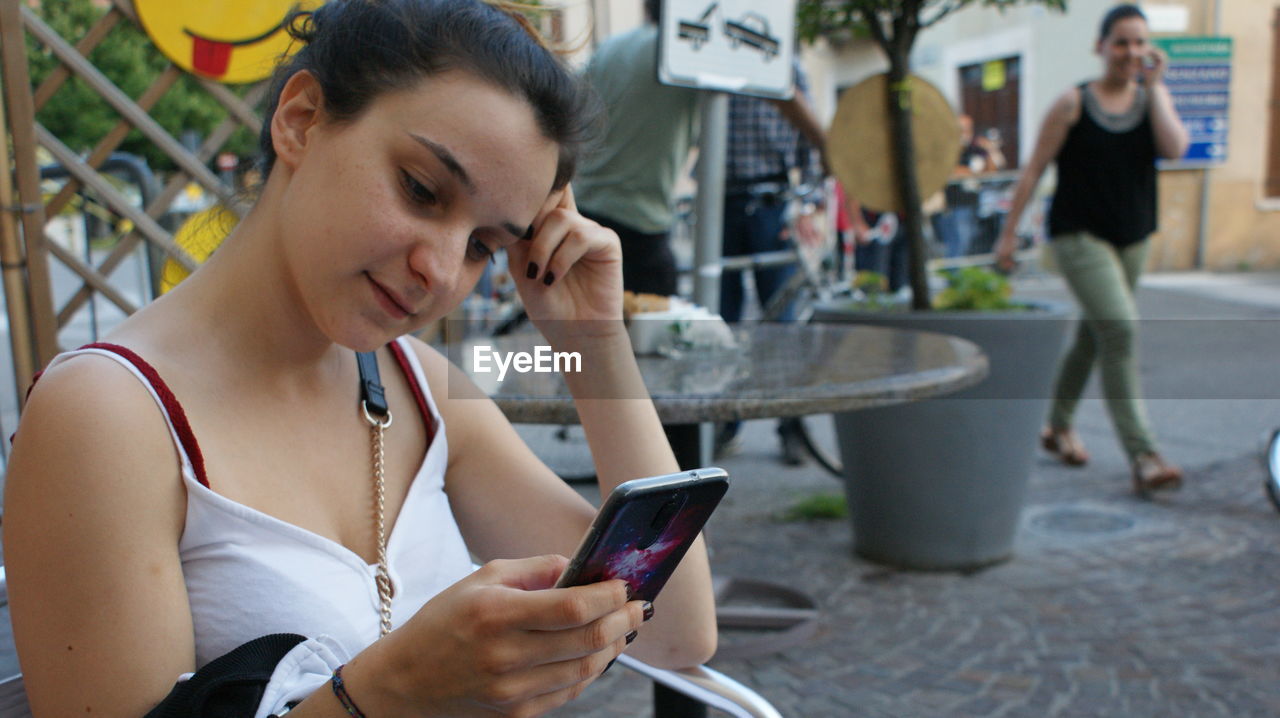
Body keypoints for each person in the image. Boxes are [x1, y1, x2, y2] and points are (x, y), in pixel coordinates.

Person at [2, 2, 717, 716]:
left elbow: (677, 632)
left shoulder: (420, 387)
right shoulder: (105, 418)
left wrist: (593, 342)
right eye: (421, 189)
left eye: (483, 246)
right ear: (302, 119)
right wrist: (389, 690)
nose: (440, 270)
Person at [994, 3, 1188, 496]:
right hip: (1079, 235)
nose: (1131, 52)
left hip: (1133, 237)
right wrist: (1009, 232)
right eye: (1121, 42)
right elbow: (1035, 168)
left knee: (1095, 335)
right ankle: (1143, 454)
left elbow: (1174, 148)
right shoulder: (1073, 104)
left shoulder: (1150, 101)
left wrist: (1157, 86)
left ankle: (1058, 426)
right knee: (1120, 329)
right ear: (1100, 47)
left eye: (1140, 42)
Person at [715, 62, 828, 464]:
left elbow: (809, 140)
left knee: (781, 327)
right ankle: (723, 425)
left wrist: (807, 202)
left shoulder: (786, 64)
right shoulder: (711, 56)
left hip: (773, 197)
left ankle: (790, 427)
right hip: (720, 198)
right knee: (720, 324)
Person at [575, 0, 700, 298]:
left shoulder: (610, 48)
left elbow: (572, 114)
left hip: (586, 208)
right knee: (646, 336)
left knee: (578, 335)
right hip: (641, 219)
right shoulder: (684, 56)